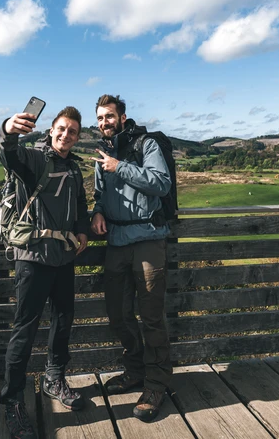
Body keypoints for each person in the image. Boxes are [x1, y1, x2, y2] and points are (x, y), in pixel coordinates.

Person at [0, 106, 90, 439]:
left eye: (73, 132)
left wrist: (82, 230)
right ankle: (13, 402)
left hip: (64, 258)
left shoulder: (73, 168)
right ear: (51, 131)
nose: (67, 135)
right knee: (25, 329)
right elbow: (9, 156)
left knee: (64, 320)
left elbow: (80, 203)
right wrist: (8, 130)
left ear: (78, 137)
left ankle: (54, 379)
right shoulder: (37, 160)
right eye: (62, 129)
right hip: (33, 258)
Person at [91, 94, 172, 423]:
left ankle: (156, 384)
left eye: (109, 116)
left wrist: (120, 167)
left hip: (148, 239)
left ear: (122, 117)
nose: (104, 123)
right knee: (118, 314)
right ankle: (135, 372)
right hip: (116, 242)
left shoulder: (146, 145)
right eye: (99, 118)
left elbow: (161, 184)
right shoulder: (103, 151)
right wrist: (97, 211)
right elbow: (99, 192)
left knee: (151, 317)